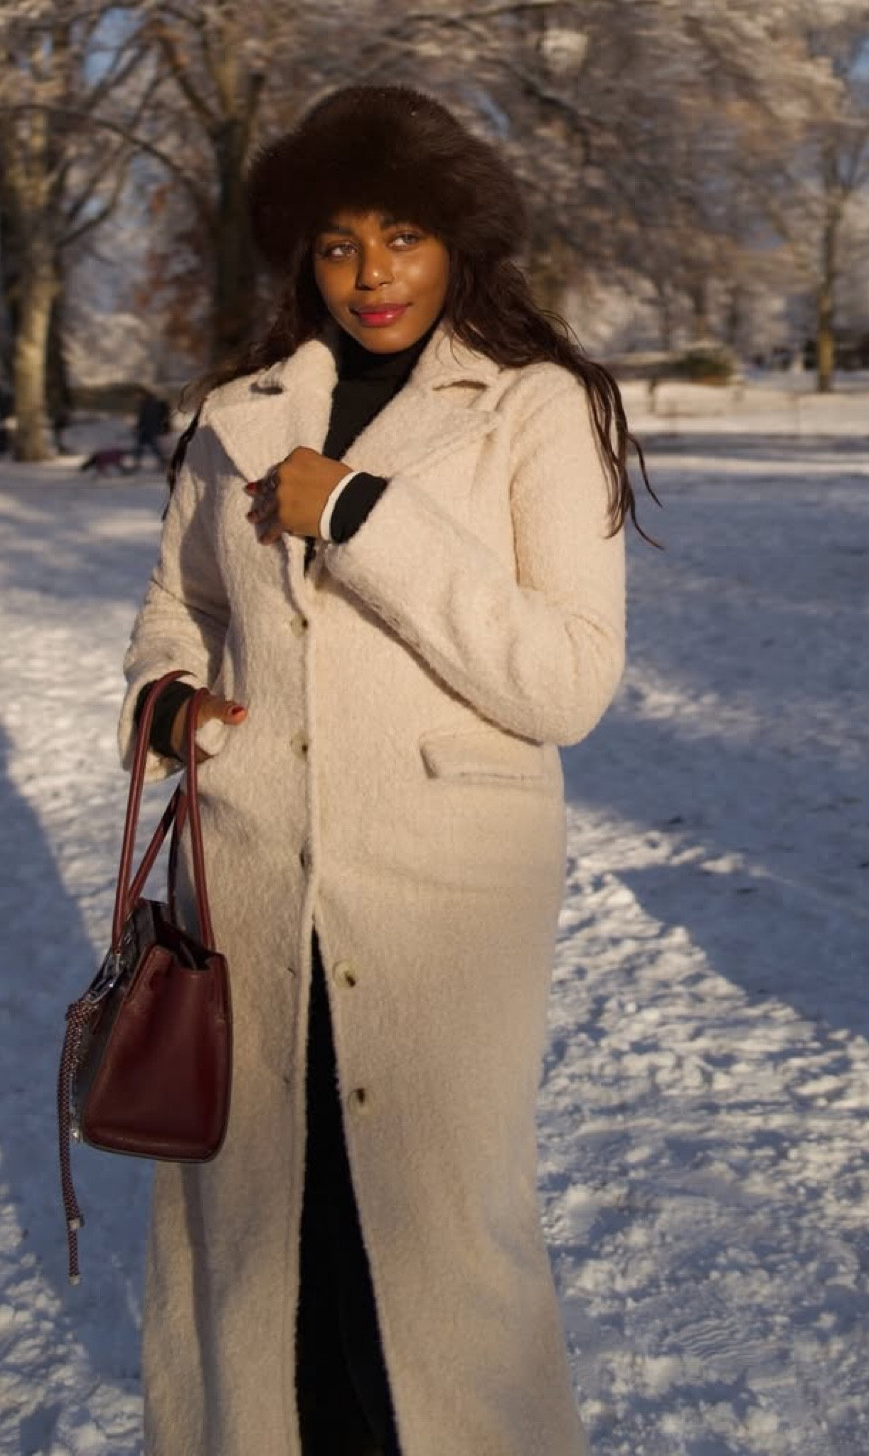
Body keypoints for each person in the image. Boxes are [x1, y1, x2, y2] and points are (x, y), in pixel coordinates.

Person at [117, 85, 652, 1456]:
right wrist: (168, 699)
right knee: (260, 1231)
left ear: (460, 240)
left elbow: (567, 680)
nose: (371, 277)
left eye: (403, 237)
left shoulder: (539, 407)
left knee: (431, 1235)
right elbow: (183, 608)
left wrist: (360, 514)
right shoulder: (238, 412)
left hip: (443, 895)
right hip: (247, 866)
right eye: (339, 244)